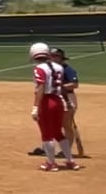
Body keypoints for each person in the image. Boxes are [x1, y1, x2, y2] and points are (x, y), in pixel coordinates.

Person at [29, 41, 80, 171]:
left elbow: (40, 88)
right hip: (58, 101)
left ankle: (51, 163)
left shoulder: (39, 68)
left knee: (47, 133)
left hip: (47, 102)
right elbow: (61, 87)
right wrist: (67, 101)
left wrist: (35, 107)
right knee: (58, 132)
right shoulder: (59, 67)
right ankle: (70, 161)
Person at [54, 46, 88, 158]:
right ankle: (48, 147)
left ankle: (66, 149)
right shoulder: (52, 69)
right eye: (52, 56)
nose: (53, 59)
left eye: (56, 57)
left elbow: (75, 84)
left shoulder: (67, 69)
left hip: (68, 97)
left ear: (61, 58)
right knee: (56, 123)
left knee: (66, 124)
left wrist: (60, 86)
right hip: (57, 97)